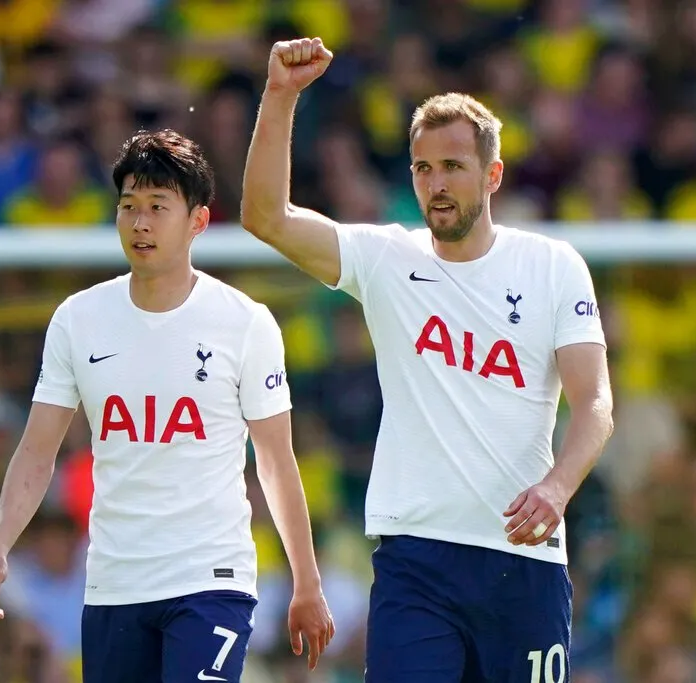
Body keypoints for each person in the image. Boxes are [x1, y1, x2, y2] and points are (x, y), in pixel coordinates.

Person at [240, 38, 615, 682]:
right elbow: (265, 217)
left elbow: (596, 405)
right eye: (421, 169)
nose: (435, 185)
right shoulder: (389, 259)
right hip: (416, 560)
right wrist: (279, 96)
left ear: (492, 175)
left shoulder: (553, 267)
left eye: (452, 167)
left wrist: (557, 489)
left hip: (520, 561)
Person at [0, 129, 335, 683]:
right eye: (129, 207)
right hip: (115, 582)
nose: (140, 222)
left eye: (158, 207)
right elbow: (37, 451)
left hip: (211, 580)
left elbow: (277, 462)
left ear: (198, 221)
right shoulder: (77, 319)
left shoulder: (245, 322)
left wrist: (306, 581)